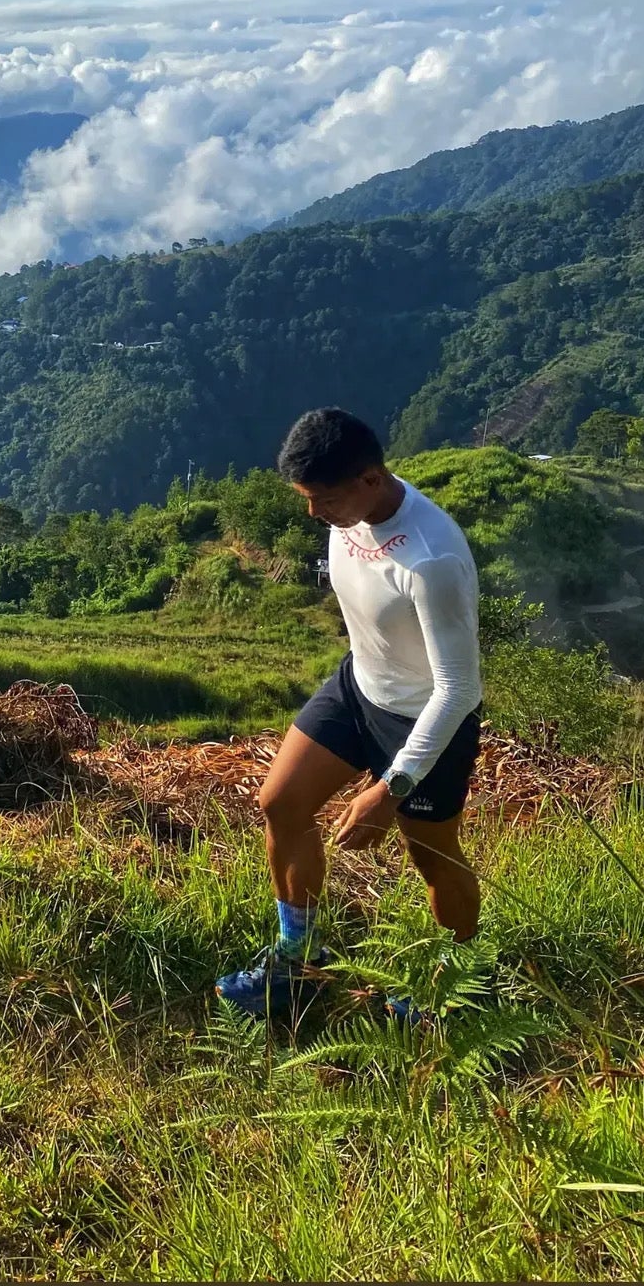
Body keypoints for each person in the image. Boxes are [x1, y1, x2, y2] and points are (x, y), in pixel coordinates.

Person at [217, 407, 484, 1022]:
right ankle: (298, 959)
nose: (315, 515)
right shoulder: (347, 512)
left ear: (370, 477)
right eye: (306, 498)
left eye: (325, 499)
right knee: (279, 804)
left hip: (425, 716)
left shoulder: (431, 558)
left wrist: (390, 789)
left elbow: (459, 688)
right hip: (358, 685)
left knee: (433, 858)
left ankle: (459, 980)